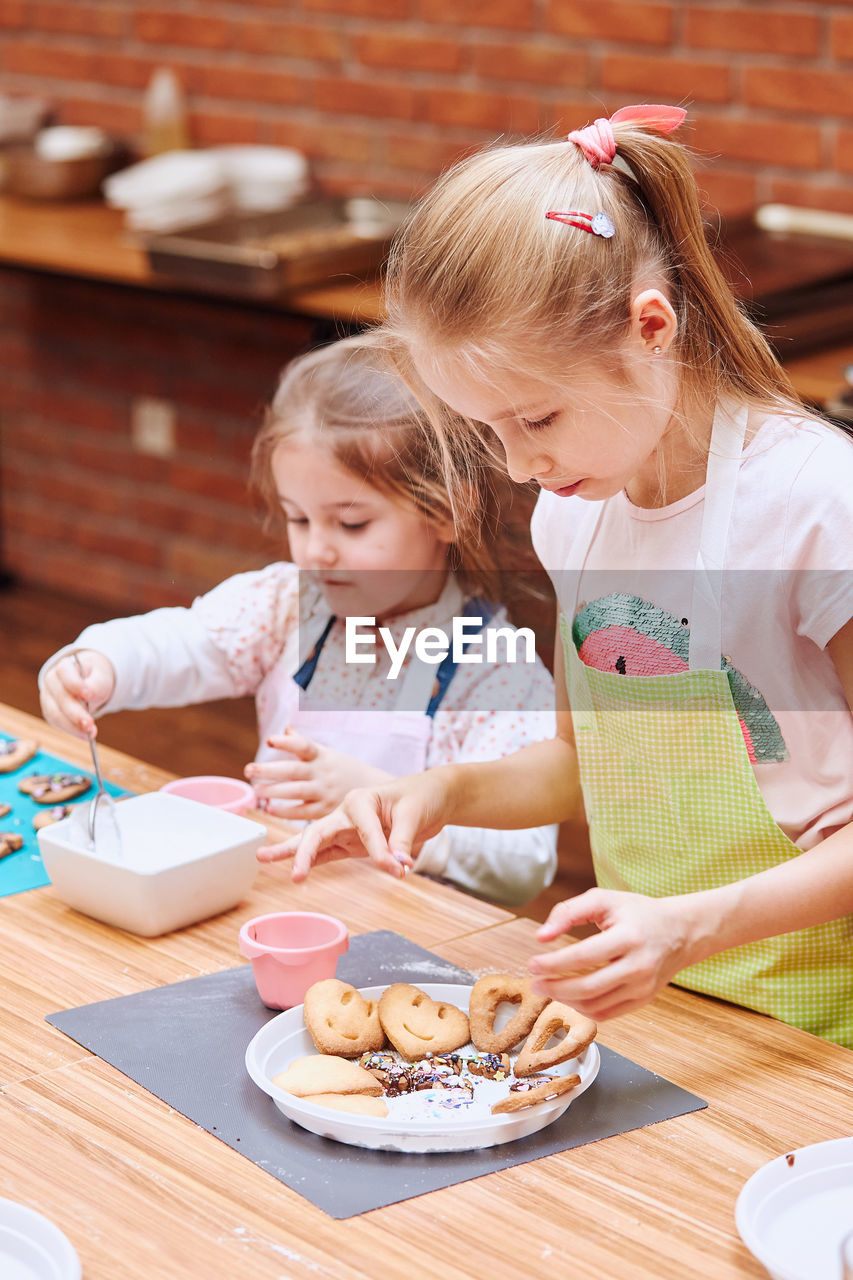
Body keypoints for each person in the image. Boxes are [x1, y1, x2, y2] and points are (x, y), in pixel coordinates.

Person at [272, 106, 853, 1047]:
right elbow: (589, 763)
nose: (513, 467)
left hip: (819, 1019)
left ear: (649, 327)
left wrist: (690, 926)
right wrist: (441, 794)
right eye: (486, 430)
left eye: (535, 420)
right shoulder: (576, 510)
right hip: (652, 999)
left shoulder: (814, 505)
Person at [38, 334, 557, 907]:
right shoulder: (289, 605)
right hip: (269, 904)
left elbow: (522, 864)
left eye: (352, 524)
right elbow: (182, 643)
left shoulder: (495, 672)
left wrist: (381, 800)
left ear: (447, 511)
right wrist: (97, 663)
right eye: (298, 519)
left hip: (404, 935)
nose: (317, 551)